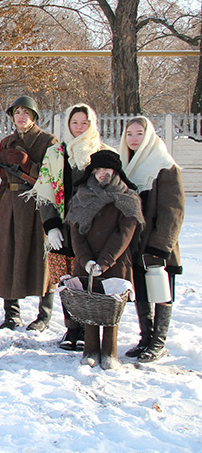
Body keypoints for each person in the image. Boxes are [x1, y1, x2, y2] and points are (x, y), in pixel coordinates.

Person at [27, 104, 109, 349]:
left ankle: (89, 329)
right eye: (75, 123)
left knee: (87, 277)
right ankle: (72, 328)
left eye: (84, 123)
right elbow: (46, 190)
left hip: (93, 229)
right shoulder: (55, 153)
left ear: (91, 124)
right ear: (68, 125)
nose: (79, 127)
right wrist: (50, 225)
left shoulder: (102, 153)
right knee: (65, 278)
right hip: (63, 227)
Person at [66, 149, 144, 370]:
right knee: (90, 306)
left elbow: (125, 234)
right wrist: (86, 260)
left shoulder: (128, 198)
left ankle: (110, 352)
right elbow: (75, 231)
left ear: (115, 171)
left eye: (106, 169)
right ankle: (89, 349)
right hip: (86, 261)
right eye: (97, 170)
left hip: (115, 263)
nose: (101, 174)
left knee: (111, 308)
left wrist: (105, 261)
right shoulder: (81, 195)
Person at [119, 117, 185, 363]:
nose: (134, 139)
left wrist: (160, 246)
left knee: (161, 290)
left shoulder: (165, 167)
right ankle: (145, 337)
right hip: (135, 243)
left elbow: (173, 212)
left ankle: (159, 342)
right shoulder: (128, 167)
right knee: (142, 292)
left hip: (157, 244)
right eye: (129, 134)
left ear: (149, 136)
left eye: (139, 133)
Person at [0, 96, 58, 330]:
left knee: (41, 260)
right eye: (17, 112)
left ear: (34, 116)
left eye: (25, 112)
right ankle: (11, 313)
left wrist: (28, 164)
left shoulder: (48, 141)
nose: (21, 116)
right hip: (11, 202)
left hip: (37, 204)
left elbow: (53, 178)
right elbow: (2, 180)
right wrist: (1, 209)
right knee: (8, 255)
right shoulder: (6, 142)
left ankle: (44, 315)